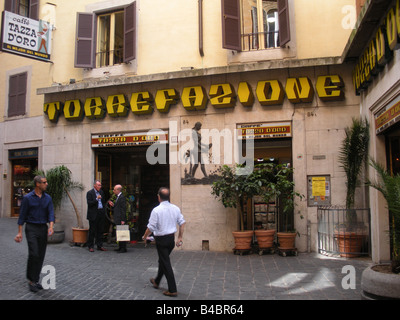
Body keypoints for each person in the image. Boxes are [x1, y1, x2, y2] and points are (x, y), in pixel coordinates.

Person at [14, 175, 55, 293]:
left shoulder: (48, 198)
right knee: (34, 253)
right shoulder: (27, 198)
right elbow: (22, 216)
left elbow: (51, 213)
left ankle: (36, 280)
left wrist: (51, 227)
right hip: (31, 228)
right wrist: (19, 232)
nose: (46, 184)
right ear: (37, 184)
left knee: (40, 255)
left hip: (43, 228)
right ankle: (31, 280)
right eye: (44, 182)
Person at [142, 187, 185, 297]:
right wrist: (180, 237)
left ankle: (172, 289)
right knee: (163, 260)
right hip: (171, 240)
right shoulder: (175, 208)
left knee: (166, 263)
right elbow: (182, 222)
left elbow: (150, 227)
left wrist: (145, 236)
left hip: (161, 240)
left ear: (159, 197)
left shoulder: (156, 210)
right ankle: (156, 281)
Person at [86, 180, 107, 252]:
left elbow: (103, 202)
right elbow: (89, 203)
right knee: (92, 230)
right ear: (94, 185)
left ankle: (99, 245)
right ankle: (90, 246)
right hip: (93, 214)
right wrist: (96, 199)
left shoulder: (101, 192)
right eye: (98, 185)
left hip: (100, 212)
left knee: (100, 230)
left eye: (100, 185)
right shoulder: (90, 193)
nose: (100, 187)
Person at [109, 184, 127, 253]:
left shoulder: (122, 197)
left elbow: (123, 209)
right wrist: (113, 205)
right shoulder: (118, 197)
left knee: (122, 232)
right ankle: (120, 247)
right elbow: (118, 207)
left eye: (114, 190)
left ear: (118, 190)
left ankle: (123, 248)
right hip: (118, 217)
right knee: (119, 232)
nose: (113, 191)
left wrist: (123, 219)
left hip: (120, 218)